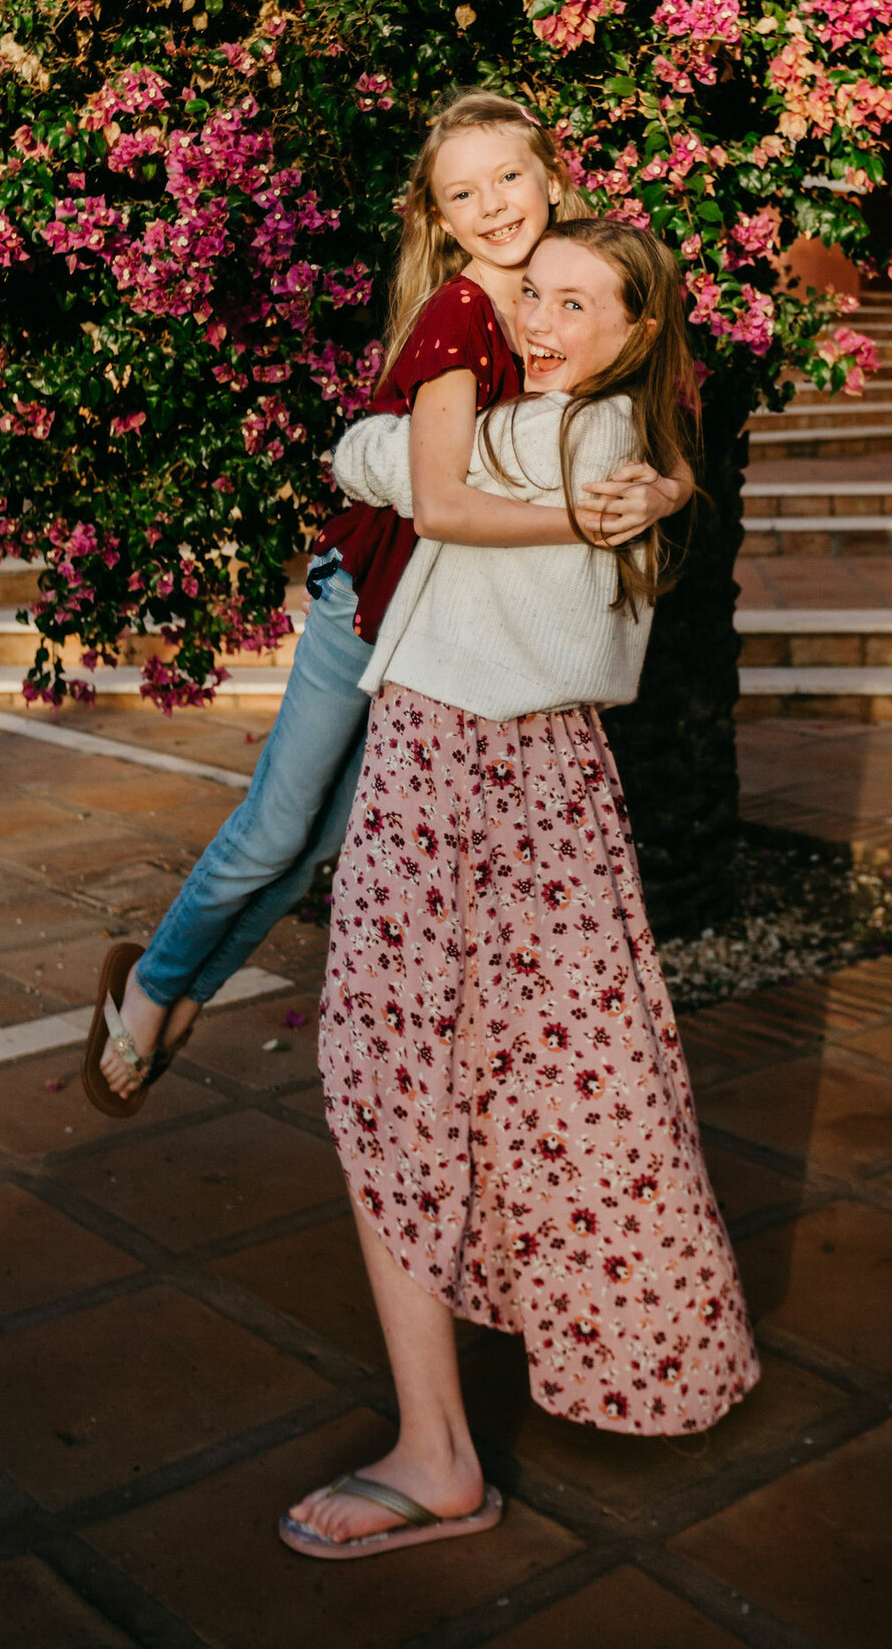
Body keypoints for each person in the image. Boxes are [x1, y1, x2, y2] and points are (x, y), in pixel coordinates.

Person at [281, 219, 759, 1561]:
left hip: (478, 776)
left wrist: (424, 428)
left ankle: (439, 1452)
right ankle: (451, 1431)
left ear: (635, 334)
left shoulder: (587, 445)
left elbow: (390, 465)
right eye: (531, 295)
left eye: (577, 305)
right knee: (503, 1085)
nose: (538, 323)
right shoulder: (584, 440)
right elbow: (386, 462)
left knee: (406, 1081)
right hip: (471, 776)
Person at [83, 93, 690, 1115]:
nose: (495, 206)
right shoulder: (462, 311)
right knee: (281, 829)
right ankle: (149, 986)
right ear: (439, 219)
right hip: (373, 598)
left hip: (448, 636)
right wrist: (589, 523)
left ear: (550, 173)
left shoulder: (579, 279)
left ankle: (185, 991)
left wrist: (664, 490)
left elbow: (652, 415)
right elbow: (446, 500)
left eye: (508, 178)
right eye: (465, 193)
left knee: (318, 844)